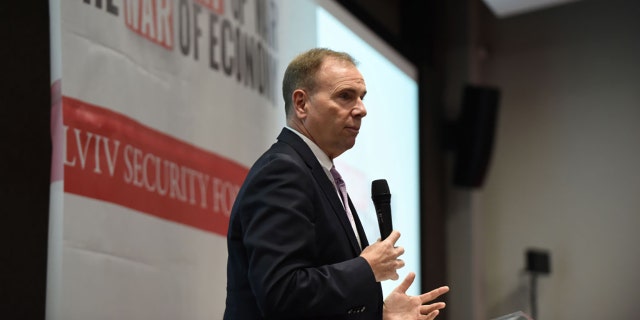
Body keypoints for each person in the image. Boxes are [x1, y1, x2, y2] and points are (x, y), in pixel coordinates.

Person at [224, 48, 448, 319]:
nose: (362, 110)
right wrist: (366, 268)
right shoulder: (282, 172)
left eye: (362, 98)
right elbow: (281, 293)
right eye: (345, 96)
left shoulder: (318, 173)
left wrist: (382, 316)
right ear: (301, 104)